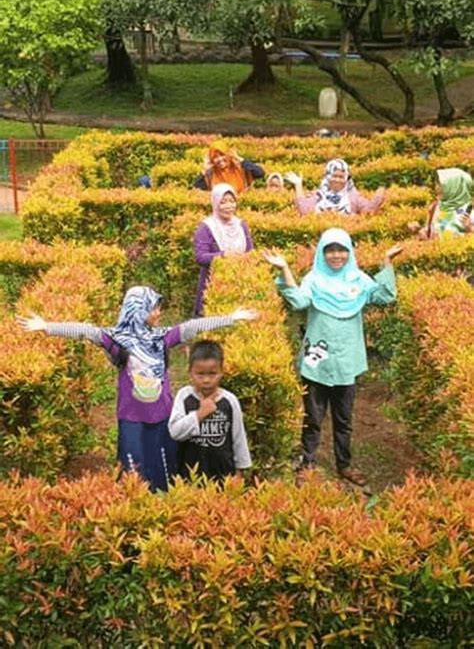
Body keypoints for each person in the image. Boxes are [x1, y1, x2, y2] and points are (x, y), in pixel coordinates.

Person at [17, 286, 258, 492]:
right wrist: (47, 326)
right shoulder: (117, 340)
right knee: (134, 469)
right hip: (132, 417)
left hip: (163, 414)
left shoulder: (161, 338)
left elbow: (192, 327)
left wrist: (230, 318)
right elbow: (86, 331)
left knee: (165, 467)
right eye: (154, 308)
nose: (158, 313)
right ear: (138, 310)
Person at [264, 228, 402, 486]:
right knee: (312, 418)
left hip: (346, 361)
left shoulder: (358, 279)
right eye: (330, 250)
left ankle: (345, 464)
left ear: (349, 252)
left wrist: (387, 262)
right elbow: (300, 302)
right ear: (322, 253)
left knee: (344, 418)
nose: (336, 256)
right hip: (318, 361)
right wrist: (284, 269)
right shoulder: (314, 280)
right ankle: (308, 464)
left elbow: (385, 296)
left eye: (341, 250)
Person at [168, 340, 251, 482]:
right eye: (200, 374)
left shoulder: (229, 401)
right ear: (190, 372)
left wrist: (240, 471)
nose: (206, 380)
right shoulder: (184, 396)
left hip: (224, 475)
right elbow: (175, 431)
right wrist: (199, 414)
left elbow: (238, 437)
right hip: (190, 476)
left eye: (212, 374)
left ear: (221, 372)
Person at [193, 183, 253, 316]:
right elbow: (200, 257)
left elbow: (250, 252)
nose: (229, 206)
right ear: (215, 203)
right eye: (223, 202)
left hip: (239, 282)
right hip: (214, 283)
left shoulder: (241, 225)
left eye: (232, 201)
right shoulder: (206, 227)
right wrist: (223, 255)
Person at [285, 158, 386, 215]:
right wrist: (298, 184)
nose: (337, 179)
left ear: (347, 178)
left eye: (341, 177)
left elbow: (368, 211)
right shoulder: (318, 195)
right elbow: (304, 210)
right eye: (334, 176)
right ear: (328, 176)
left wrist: (379, 194)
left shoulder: (353, 196)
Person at [415, 168, 473, 239]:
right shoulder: (435, 207)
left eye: (441, 185)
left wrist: (470, 228)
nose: (436, 188)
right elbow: (429, 233)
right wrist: (421, 231)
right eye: (436, 184)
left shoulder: (469, 211)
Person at [193, 140, 265, 193]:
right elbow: (196, 187)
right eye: (215, 157)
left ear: (227, 153)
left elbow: (260, 173)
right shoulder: (211, 174)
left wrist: (240, 159)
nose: (220, 159)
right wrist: (205, 170)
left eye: (222, 154)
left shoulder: (239, 167)